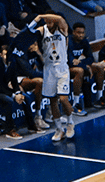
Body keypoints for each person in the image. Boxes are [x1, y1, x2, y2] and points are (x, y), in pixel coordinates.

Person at [32, 13, 72, 141]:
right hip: (49, 69)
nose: (48, 23)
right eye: (46, 21)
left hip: (62, 68)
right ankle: (59, 129)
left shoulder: (62, 29)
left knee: (64, 99)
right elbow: (31, 32)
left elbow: (61, 18)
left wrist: (41, 15)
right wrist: (36, 21)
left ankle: (70, 122)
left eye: (50, 21)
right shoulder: (43, 30)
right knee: (52, 101)